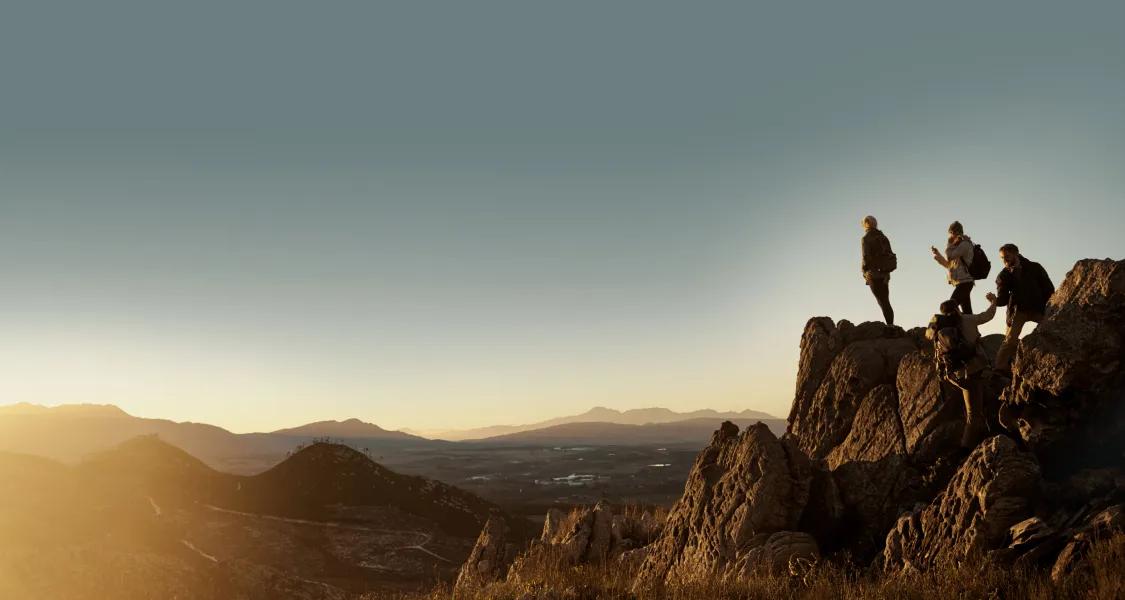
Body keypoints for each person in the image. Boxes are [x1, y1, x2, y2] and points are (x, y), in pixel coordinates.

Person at [926, 292, 998, 449]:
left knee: (985, 398)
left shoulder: (940, 328)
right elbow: (987, 316)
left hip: (953, 375)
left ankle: (988, 432)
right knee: (974, 415)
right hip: (970, 372)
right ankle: (965, 449)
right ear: (957, 308)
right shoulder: (966, 320)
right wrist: (993, 301)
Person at [993, 243, 1055, 372]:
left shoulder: (1034, 267)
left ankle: (1051, 361)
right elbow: (1003, 299)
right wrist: (994, 301)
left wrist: (1048, 305)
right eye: (1002, 258)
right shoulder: (1003, 275)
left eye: (1007, 257)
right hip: (1018, 311)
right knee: (1010, 340)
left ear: (1016, 254)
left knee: (1052, 331)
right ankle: (999, 368)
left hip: (1037, 308)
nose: (1004, 261)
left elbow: (1048, 288)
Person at [931, 221, 976, 314]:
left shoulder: (965, 244)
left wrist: (949, 243)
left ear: (954, 233)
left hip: (965, 282)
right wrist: (937, 255)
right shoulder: (957, 246)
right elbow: (949, 265)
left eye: (950, 234)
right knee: (967, 313)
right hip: (961, 283)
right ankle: (970, 328)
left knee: (949, 307)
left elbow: (950, 256)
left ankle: (951, 327)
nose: (950, 237)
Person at [860, 215, 895, 325]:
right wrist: (887, 273)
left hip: (873, 274)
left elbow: (866, 257)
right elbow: (888, 255)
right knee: (886, 301)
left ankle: (890, 327)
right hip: (884, 274)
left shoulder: (866, 238)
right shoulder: (883, 237)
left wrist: (865, 272)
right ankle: (891, 325)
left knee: (882, 302)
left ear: (865, 224)